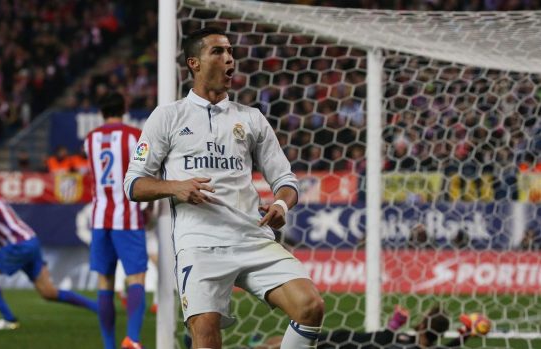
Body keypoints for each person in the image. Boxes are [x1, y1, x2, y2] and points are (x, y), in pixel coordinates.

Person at [124, 27, 324, 349]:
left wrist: (282, 205)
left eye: (230, 51)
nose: (229, 58)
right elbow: (133, 183)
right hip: (199, 243)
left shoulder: (252, 119)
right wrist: (175, 187)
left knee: (310, 306)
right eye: (218, 51)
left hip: (252, 236)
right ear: (195, 63)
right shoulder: (167, 117)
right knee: (205, 335)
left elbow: (286, 181)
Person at [0, 174, 97, 330]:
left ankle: (9, 320)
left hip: (18, 246)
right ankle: (98, 307)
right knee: (48, 292)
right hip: (31, 242)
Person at [85, 92, 148, 349]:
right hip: (128, 217)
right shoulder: (135, 136)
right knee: (136, 278)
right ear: (125, 108)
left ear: (101, 112)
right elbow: (144, 173)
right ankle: (132, 339)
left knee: (105, 282)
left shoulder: (90, 140)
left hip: (100, 219)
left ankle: (109, 345)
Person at [252, 305, 488, 349]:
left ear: (425, 324)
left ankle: (255, 346)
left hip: (344, 345)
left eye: (424, 316)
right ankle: (256, 345)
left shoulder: (410, 345)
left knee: (292, 342)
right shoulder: (412, 340)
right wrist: (465, 335)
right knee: (285, 340)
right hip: (348, 338)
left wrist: (394, 325)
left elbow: (383, 340)